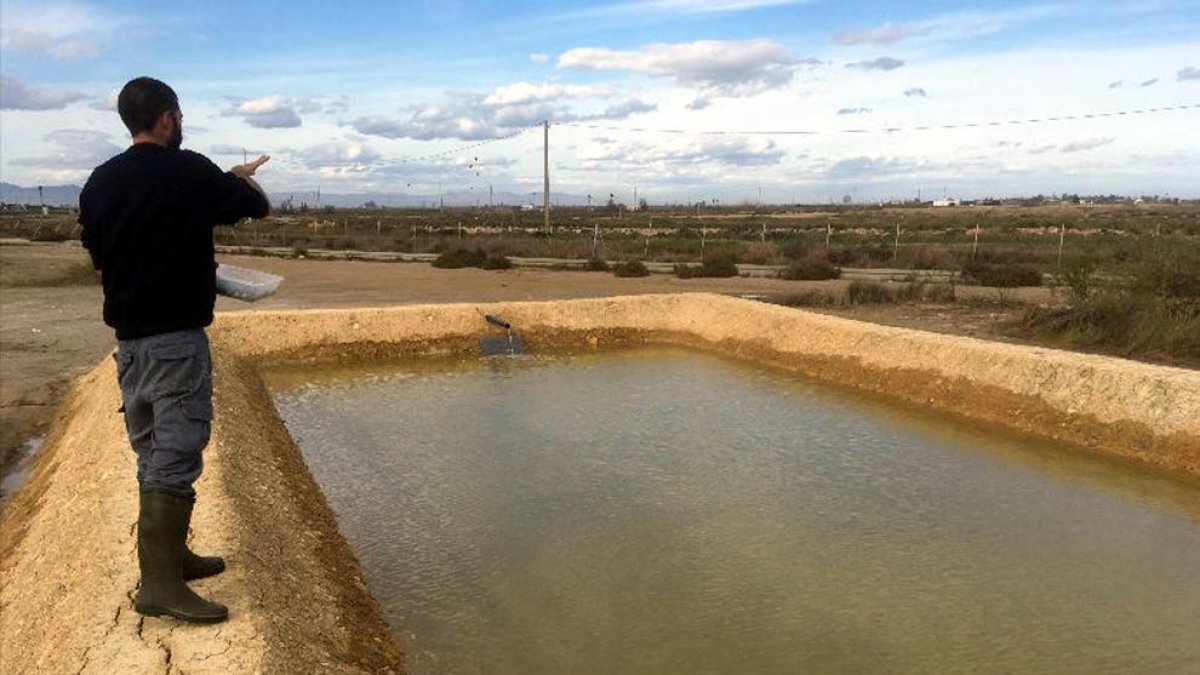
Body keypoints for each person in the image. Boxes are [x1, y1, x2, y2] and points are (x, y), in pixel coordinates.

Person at [79, 76, 270, 624]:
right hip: (175, 345)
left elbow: (98, 255)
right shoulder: (189, 171)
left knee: (152, 452)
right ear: (167, 118)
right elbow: (257, 209)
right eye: (178, 115)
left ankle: (174, 558)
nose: (180, 123)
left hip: (130, 348)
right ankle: (160, 584)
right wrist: (240, 179)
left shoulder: (99, 182)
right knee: (177, 453)